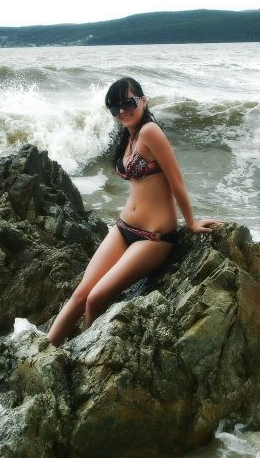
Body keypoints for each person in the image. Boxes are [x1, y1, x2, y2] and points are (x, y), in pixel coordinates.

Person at [47, 77, 224, 346]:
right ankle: (44, 350)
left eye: (128, 103)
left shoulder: (150, 131)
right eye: (114, 108)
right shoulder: (128, 136)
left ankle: (81, 353)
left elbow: (176, 180)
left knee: (95, 299)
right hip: (123, 229)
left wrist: (191, 223)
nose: (122, 112)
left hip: (153, 238)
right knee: (80, 295)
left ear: (143, 100)